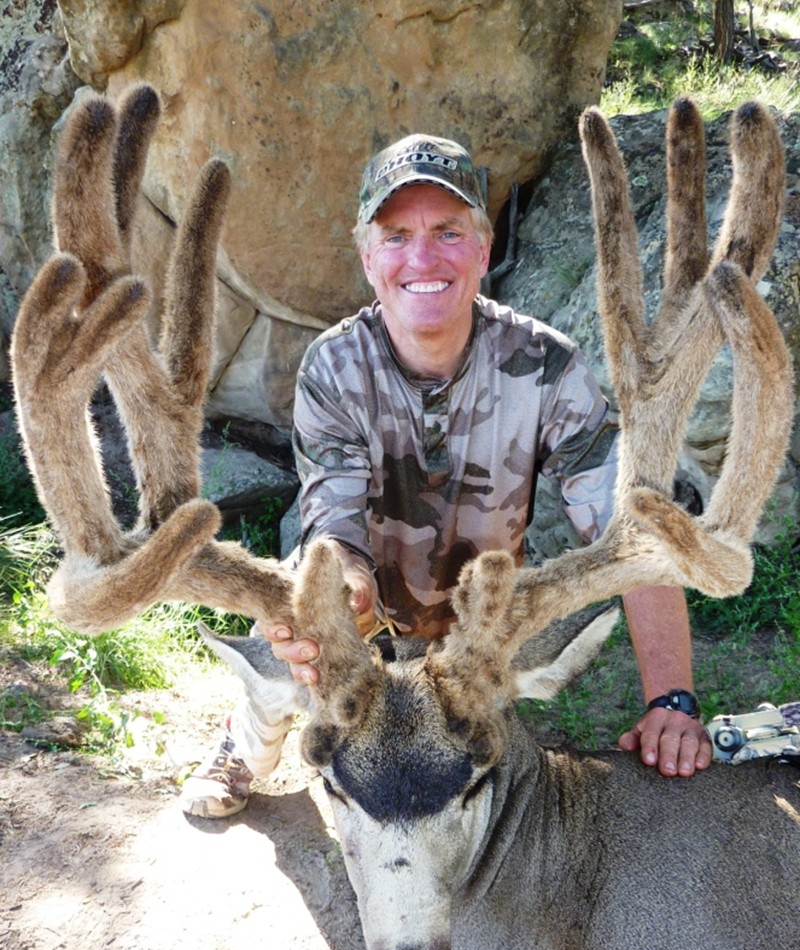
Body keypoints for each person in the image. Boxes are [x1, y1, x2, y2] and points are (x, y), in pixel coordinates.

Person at [181, 133, 712, 819]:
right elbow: (333, 532)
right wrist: (341, 600)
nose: (423, 257)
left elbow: (631, 536)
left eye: (448, 232)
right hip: (362, 622)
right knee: (295, 608)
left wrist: (671, 700)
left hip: (472, 636)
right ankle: (248, 741)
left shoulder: (545, 365)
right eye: (396, 235)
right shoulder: (334, 368)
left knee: (471, 791)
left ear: (483, 250)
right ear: (369, 259)